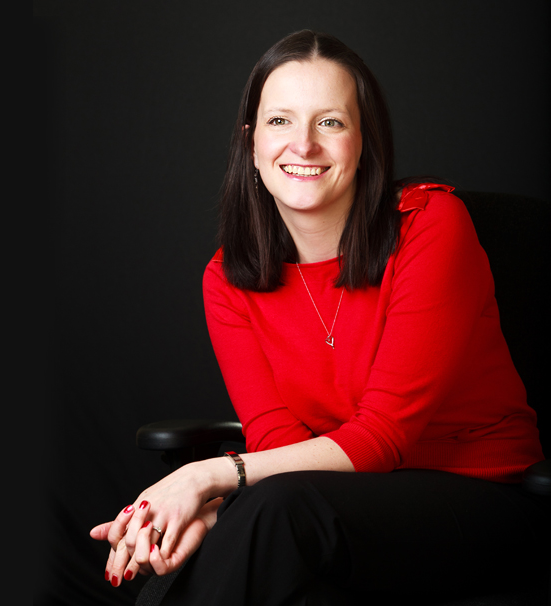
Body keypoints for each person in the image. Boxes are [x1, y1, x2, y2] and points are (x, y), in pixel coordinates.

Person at [90, 30, 547, 605]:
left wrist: (207, 479)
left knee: (276, 518)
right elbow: (276, 440)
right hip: (330, 509)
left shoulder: (433, 226)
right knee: (271, 573)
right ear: (250, 143)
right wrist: (224, 515)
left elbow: (382, 438)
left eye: (329, 122)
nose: (302, 145)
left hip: (484, 500)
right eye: (280, 121)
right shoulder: (228, 278)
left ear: (364, 143)